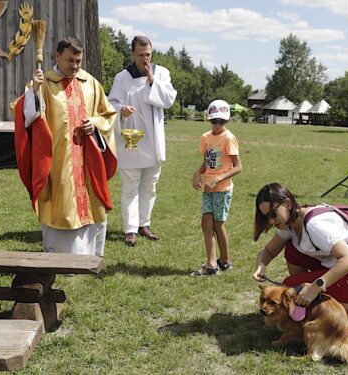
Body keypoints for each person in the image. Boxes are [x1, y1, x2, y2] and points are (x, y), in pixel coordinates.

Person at [13, 37, 117, 257]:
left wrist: (95, 124)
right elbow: (29, 117)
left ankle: (90, 255)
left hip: (87, 160)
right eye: (70, 60)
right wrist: (34, 91)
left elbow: (106, 114)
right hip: (58, 159)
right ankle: (60, 256)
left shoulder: (90, 83)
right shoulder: (45, 83)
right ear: (57, 56)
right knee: (61, 204)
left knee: (91, 204)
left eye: (78, 61)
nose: (75, 66)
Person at [251, 183, 348, 332]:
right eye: (266, 217)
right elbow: (268, 251)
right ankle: (308, 306)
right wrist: (261, 265)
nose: (271, 221)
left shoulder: (314, 225)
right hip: (336, 266)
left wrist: (314, 287)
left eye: (273, 214)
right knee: (292, 250)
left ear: (287, 204)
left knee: (290, 288)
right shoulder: (290, 223)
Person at [108, 36, 177, 247]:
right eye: (140, 55)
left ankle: (143, 224)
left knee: (149, 186)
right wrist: (121, 109)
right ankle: (130, 229)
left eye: (148, 55)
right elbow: (111, 103)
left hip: (153, 140)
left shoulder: (161, 73)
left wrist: (152, 80)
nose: (145, 59)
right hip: (131, 140)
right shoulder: (122, 78)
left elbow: (168, 100)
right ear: (132, 54)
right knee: (130, 186)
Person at [190, 100, 242, 276]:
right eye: (215, 121)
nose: (218, 125)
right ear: (209, 119)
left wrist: (219, 178)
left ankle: (225, 261)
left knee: (218, 224)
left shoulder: (228, 138)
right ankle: (212, 264)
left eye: (222, 121)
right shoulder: (206, 137)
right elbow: (207, 162)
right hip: (208, 187)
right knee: (206, 223)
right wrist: (197, 173)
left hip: (223, 188)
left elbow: (238, 166)